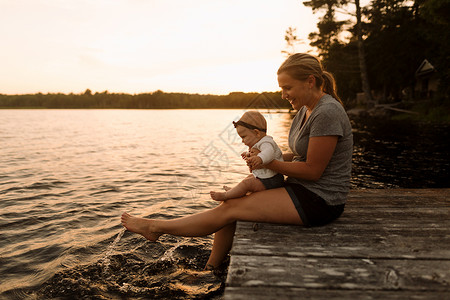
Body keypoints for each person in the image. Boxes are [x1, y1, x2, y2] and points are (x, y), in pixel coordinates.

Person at [121, 53, 353, 271]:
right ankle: (211, 268)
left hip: (321, 201)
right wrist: (263, 158)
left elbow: (313, 170)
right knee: (233, 202)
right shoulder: (305, 110)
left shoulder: (327, 112)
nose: (283, 94)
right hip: (301, 188)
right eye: (282, 88)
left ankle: (155, 228)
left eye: (287, 88)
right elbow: (300, 155)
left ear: (310, 81)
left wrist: (268, 163)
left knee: (231, 208)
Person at [209, 111, 284, 201]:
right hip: (269, 177)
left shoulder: (266, 142)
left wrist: (259, 158)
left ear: (257, 133)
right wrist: (249, 155)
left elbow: (269, 152)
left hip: (273, 180)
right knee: (249, 178)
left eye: (243, 137)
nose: (242, 141)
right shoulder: (259, 143)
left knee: (247, 183)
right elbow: (259, 153)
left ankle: (226, 196)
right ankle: (234, 191)